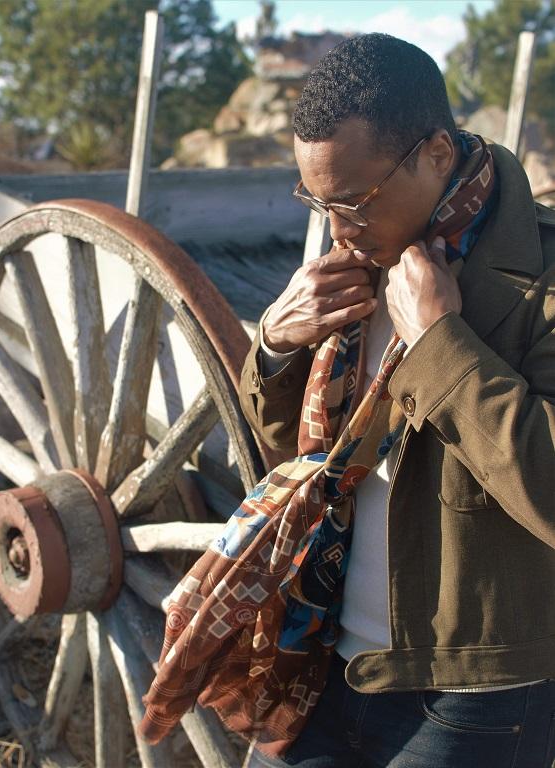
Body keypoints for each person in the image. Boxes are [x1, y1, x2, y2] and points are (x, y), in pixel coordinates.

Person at [237, 33, 555, 768]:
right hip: (317, 655)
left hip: (474, 695)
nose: (334, 229)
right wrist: (278, 347)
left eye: (351, 202)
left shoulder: (540, 279)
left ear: (436, 154)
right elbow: (291, 456)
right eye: (314, 201)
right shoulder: (355, 258)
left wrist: (440, 342)